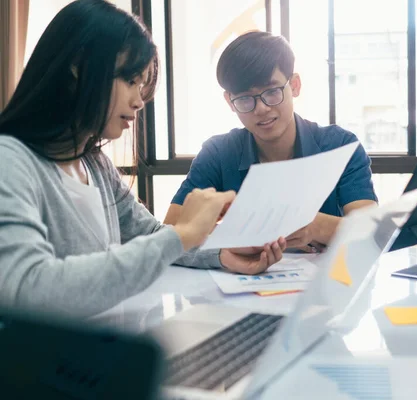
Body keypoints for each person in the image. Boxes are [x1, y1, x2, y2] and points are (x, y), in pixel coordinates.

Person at [0, 0, 286, 318]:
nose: (139, 101)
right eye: (130, 80)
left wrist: (223, 254)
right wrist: (183, 233)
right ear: (78, 67)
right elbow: (28, 287)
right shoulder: (9, 162)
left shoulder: (93, 163)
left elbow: (149, 234)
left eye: (141, 84)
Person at [164, 31, 378, 271]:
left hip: (325, 293)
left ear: (294, 85)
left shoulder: (340, 145)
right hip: (236, 291)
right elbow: (171, 234)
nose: (261, 109)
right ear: (229, 101)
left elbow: (372, 231)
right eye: (245, 99)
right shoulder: (218, 153)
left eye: (272, 92)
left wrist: (315, 226)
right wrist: (238, 235)